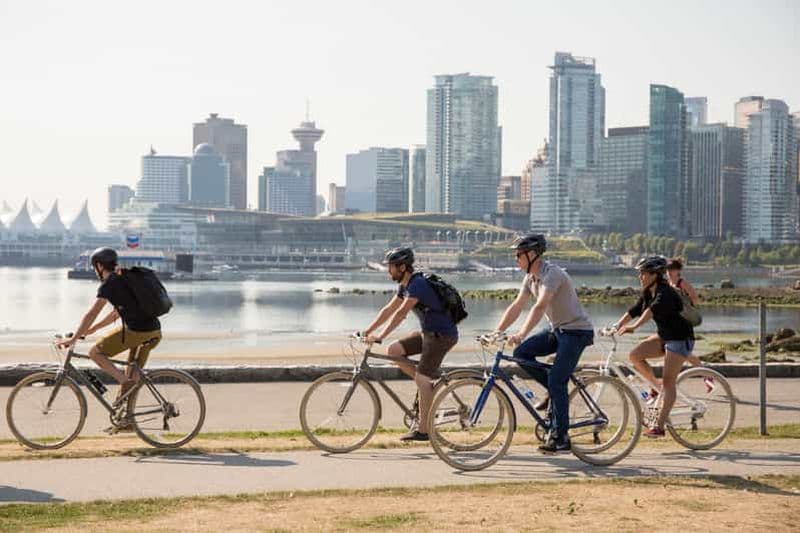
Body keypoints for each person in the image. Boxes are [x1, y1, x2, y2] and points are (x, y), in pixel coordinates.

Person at [493, 234, 594, 453]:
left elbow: (539, 307)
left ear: (532, 254)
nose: (516, 259)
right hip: (557, 330)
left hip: (576, 332)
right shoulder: (530, 278)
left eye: (518, 255)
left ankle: (561, 437)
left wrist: (521, 332)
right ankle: (554, 392)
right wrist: (497, 331)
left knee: (558, 380)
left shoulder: (553, 274)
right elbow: (517, 305)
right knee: (522, 353)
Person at [361, 247, 459, 442]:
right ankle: (427, 388)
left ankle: (424, 430)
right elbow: (390, 308)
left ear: (402, 267)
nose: (388, 270)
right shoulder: (405, 285)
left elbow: (401, 313)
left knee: (422, 380)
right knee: (394, 350)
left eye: (391, 267)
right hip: (428, 334)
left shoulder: (418, 284)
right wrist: (368, 330)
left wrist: (381, 335)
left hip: (442, 336)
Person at [55, 247, 162, 413]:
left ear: (99, 266)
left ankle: (123, 380)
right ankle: (126, 420)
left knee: (95, 353)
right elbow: (116, 314)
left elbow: (92, 312)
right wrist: (92, 330)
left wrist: (73, 338)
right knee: (131, 378)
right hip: (153, 331)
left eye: (94, 266)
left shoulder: (109, 283)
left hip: (137, 332)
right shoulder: (122, 278)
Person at [614, 256, 694, 438]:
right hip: (665, 336)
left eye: (643, 273)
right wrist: (616, 326)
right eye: (639, 273)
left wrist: (634, 327)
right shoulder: (648, 291)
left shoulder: (665, 292)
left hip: (680, 339)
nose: (640, 277)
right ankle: (654, 386)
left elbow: (650, 312)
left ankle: (659, 425)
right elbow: (635, 310)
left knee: (669, 383)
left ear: (655, 275)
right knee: (635, 356)